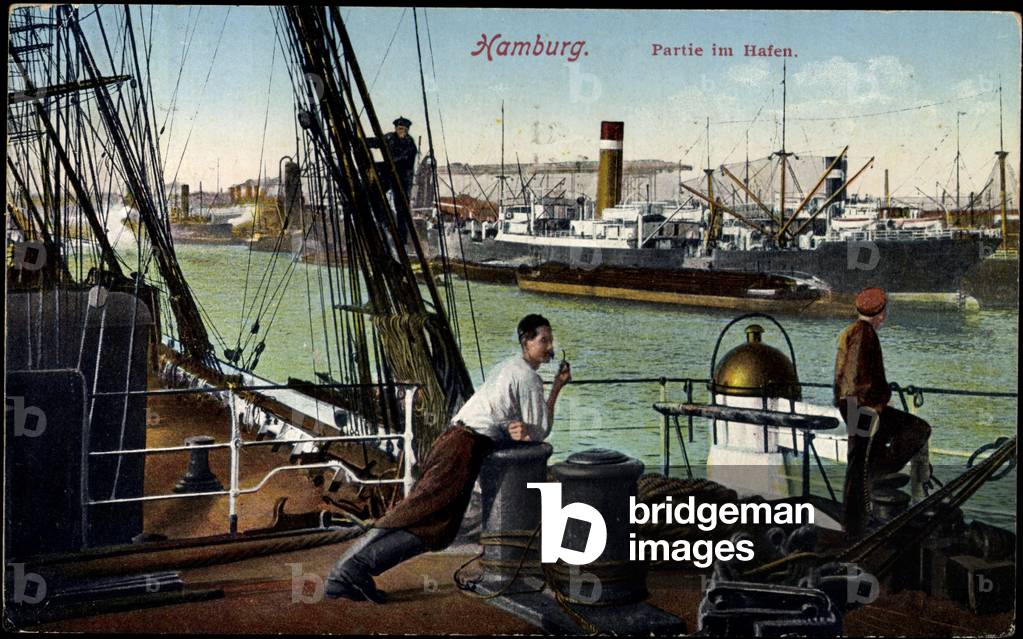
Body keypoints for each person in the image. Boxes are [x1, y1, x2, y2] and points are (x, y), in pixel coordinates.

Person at [325, 313, 572, 602]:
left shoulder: (509, 367)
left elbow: (523, 425)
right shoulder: (527, 376)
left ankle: (345, 574)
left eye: (550, 340)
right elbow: (540, 432)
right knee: (428, 520)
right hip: (463, 449)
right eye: (543, 340)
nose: (549, 346)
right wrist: (557, 388)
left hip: (453, 441)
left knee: (424, 516)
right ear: (526, 342)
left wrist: (524, 422)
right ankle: (347, 572)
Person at [834, 287, 931, 540]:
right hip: (864, 407)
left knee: (858, 465)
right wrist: (873, 411)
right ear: (880, 314)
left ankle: (855, 524)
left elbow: (841, 379)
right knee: (917, 429)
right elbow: (856, 378)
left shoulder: (850, 332)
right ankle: (876, 481)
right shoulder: (864, 335)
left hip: (853, 405)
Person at [382, 116, 418, 246]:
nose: (399, 131)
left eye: (402, 129)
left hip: (404, 178)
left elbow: (404, 158)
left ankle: (402, 239)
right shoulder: (390, 137)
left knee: (401, 207)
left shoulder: (410, 144)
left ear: (407, 130)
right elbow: (377, 141)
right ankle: (383, 220)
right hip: (390, 173)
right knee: (376, 191)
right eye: (398, 128)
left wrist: (390, 162)